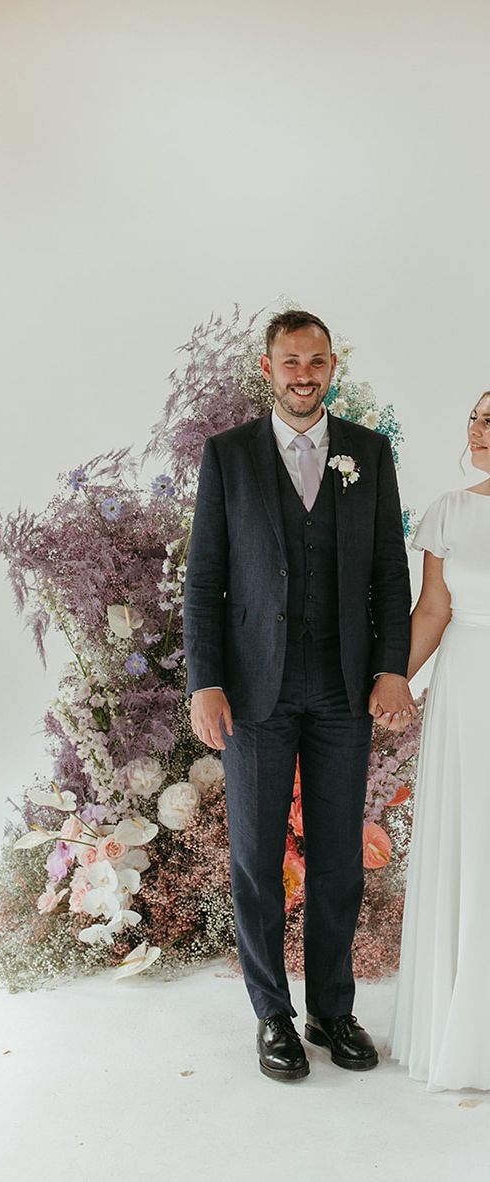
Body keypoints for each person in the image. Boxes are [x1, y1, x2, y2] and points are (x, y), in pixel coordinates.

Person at [183, 310, 415, 1082]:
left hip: (344, 688)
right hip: (255, 691)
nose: (304, 373)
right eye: (291, 360)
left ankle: (332, 1010)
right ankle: (272, 1015)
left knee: (340, 859)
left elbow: (389, 572)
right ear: (268, 367)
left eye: (317, 359)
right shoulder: (228, 457)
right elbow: (204, 579)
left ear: (332, 366)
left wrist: (392, 668)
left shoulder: (369, 453)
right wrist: (205, 681)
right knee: (254, 857)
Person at [388, 391, 490, 1092]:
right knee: (470, 840)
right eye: (479, 416)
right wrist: (391, 681)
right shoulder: (451, 509)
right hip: (466, 687)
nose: (481, 429)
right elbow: (434, 607)